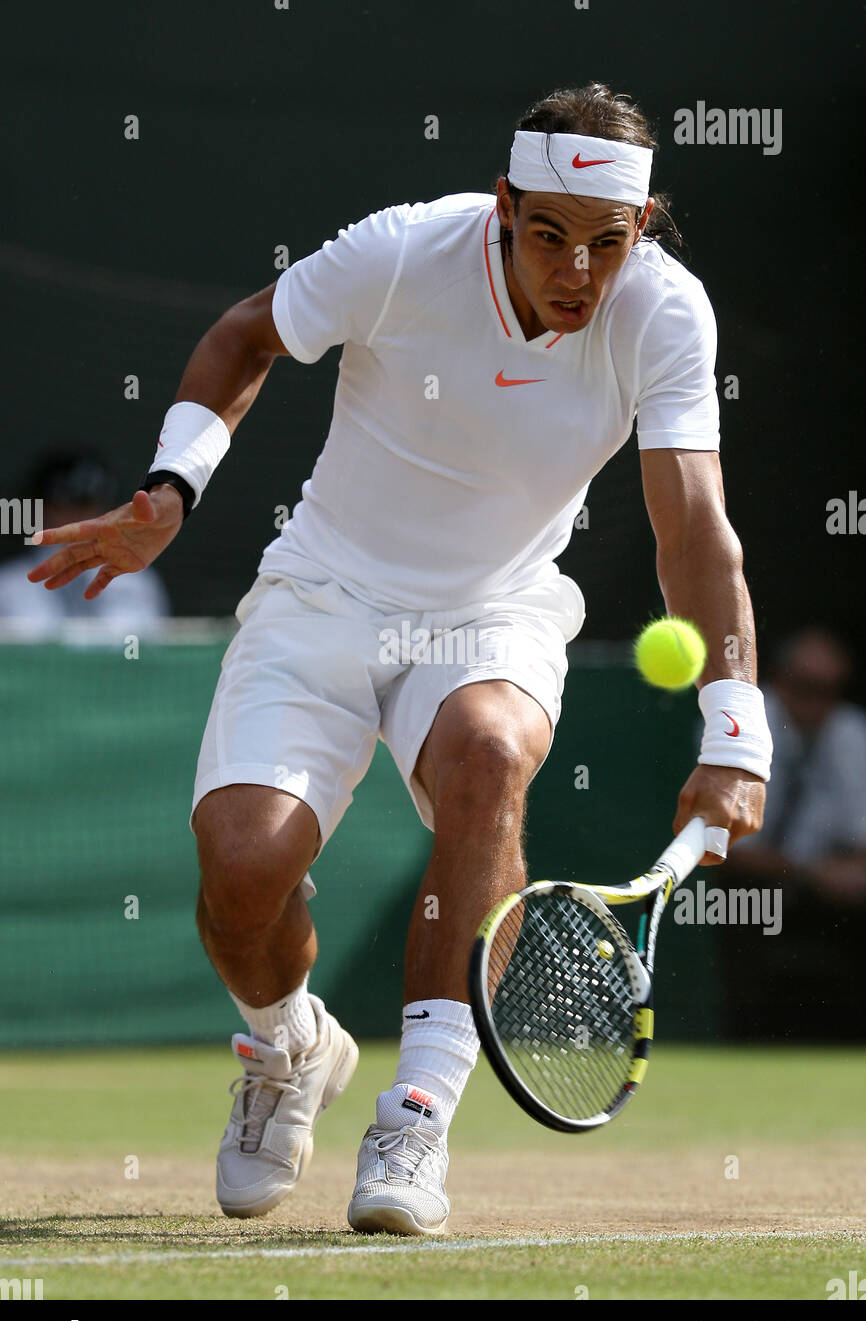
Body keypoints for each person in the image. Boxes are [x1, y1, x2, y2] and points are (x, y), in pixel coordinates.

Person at [26, 83, 772, 1235]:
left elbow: (691, 529)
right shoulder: (401, 248)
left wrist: (735, 728)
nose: (575, 271)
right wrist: (172, 489)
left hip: (497, 610)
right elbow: (247, 333)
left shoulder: (666, 316)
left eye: (606, 244)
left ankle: (415, 1111)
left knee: (486, 756)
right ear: (501, 205)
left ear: (642, 231)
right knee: (240, 869)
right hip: (324, 590)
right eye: (547, 237)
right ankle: (288, 1047)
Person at [718, 628, 866, 1038]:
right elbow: (723, 845)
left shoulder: (850, 733)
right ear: (780, 679)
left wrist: (845, 874)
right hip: (745, 890)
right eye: (805, 687)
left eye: (828, 689)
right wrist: (809, 873)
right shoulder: (739, 724)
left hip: (827, 894)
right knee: (734, 906)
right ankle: (739, 1035)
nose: (816, 702)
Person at [0, 447, 169, 631]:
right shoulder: (8, 586)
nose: (80, 519)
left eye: (89, 506)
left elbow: (148, 653)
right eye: (66, 507)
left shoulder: (138, 583)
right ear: (44, 509)